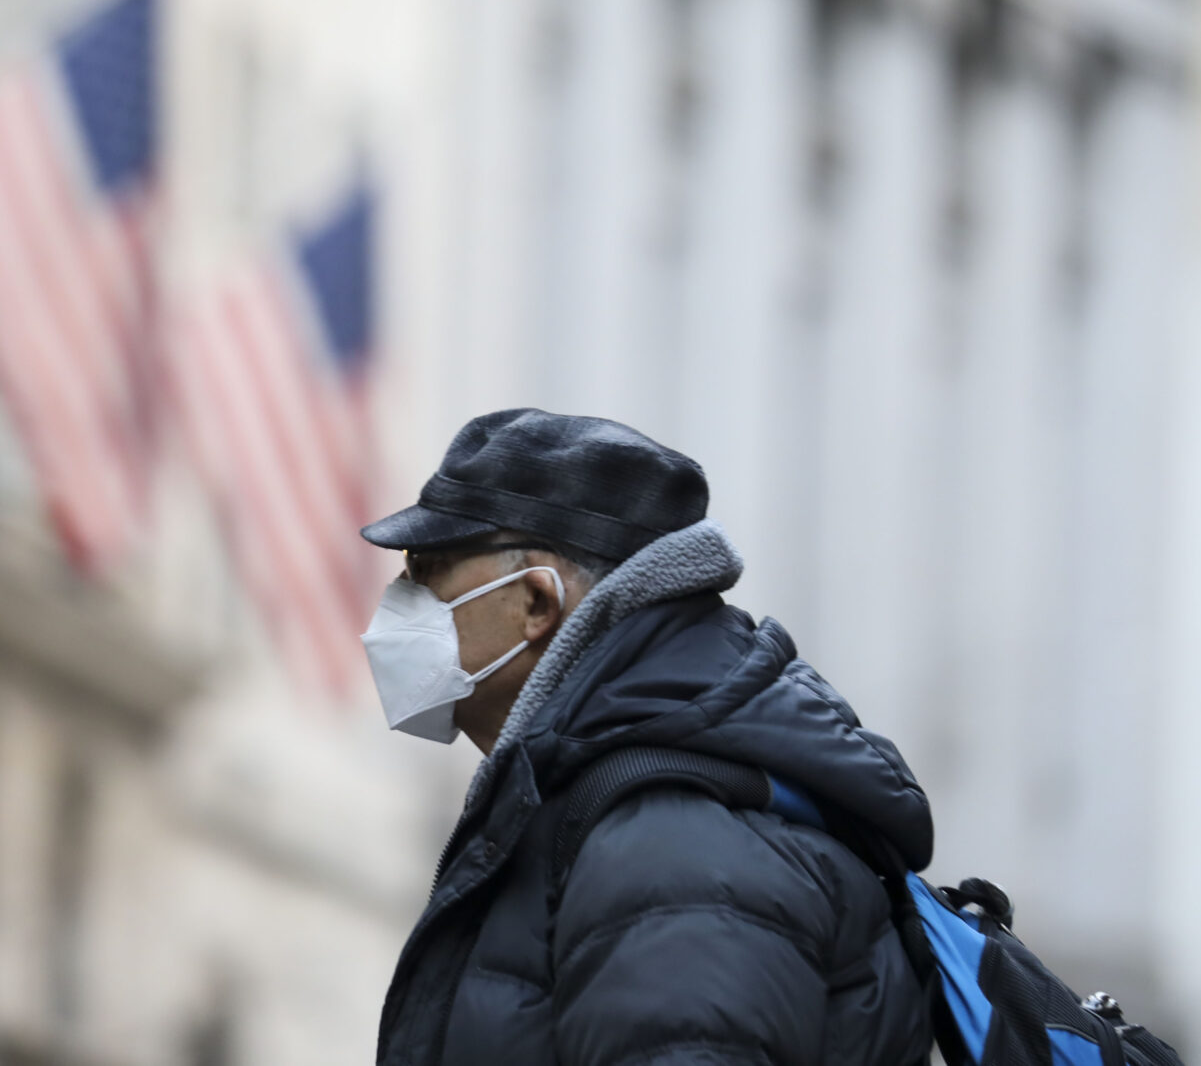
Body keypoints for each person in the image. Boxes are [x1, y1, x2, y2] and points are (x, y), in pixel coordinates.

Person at [359, 408, 933, 1066]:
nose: (402, 597)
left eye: (429, 569)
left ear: (537, 602)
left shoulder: (674, 846)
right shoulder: (593, 797)